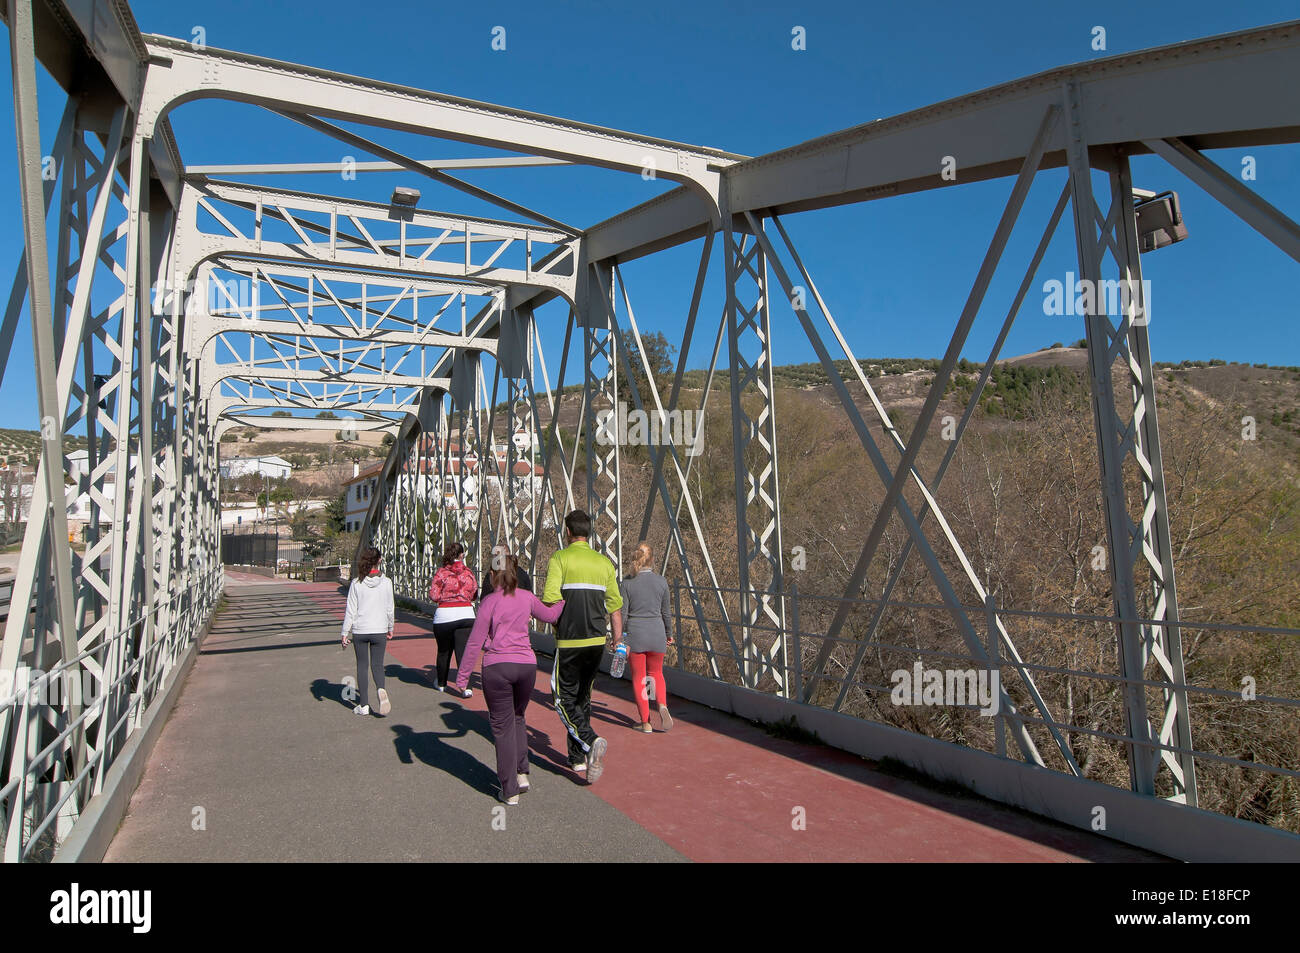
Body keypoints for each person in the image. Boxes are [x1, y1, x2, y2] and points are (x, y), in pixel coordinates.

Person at [454, 556, 564, 804]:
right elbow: (549, 615)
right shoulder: (526, 597)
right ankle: (522, 772)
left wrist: (463, 677)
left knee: (502, 728)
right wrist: (564, 601)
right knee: (518, 718)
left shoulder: (489, 602)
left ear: (493, 576)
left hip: (497, 667)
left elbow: (474, 642)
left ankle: (509, 788)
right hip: (526, 666)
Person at [541, 510, 623, 783]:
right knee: (582, 699)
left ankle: (591, 740)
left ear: (567, 532)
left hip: (569, 640)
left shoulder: (560, 558)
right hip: (597, 641)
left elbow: (552, 600)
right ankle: (578, 758)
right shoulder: (604, 564)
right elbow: (615, 607)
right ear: (589, 533)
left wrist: (556, 628)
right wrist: (617, 640)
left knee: (561, 697)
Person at [617, 542, 674, 733]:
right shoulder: (662, 582)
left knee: (639, 678)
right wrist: (669, 634)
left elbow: (622, 614)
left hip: (636, 635)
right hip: (657, 632)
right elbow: (666, 612)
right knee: (656, 673)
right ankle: (662, 704)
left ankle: (645, 722)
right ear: (653, 560)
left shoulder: (627, 583)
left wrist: (619, 638)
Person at [341, 546, 395, 716]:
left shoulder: (357, 583)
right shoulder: (386, 582)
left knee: (362, 665)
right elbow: (390, 608)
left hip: (360, 630)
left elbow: (351, 610)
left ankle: (363, 705)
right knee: (378, 664)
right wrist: (390, 627)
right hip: (379, 629)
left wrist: (344, 632)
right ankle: (380, 688)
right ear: (379, 560)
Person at [428, 542, 478, 698]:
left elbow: (434, 596)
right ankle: (466, 687)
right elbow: (475, 594)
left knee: (444, 652)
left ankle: (442, 683)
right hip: (466, 614)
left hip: (444, 615)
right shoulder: (469, 573)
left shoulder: (441, 573)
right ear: (462, 555)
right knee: (463, 653)